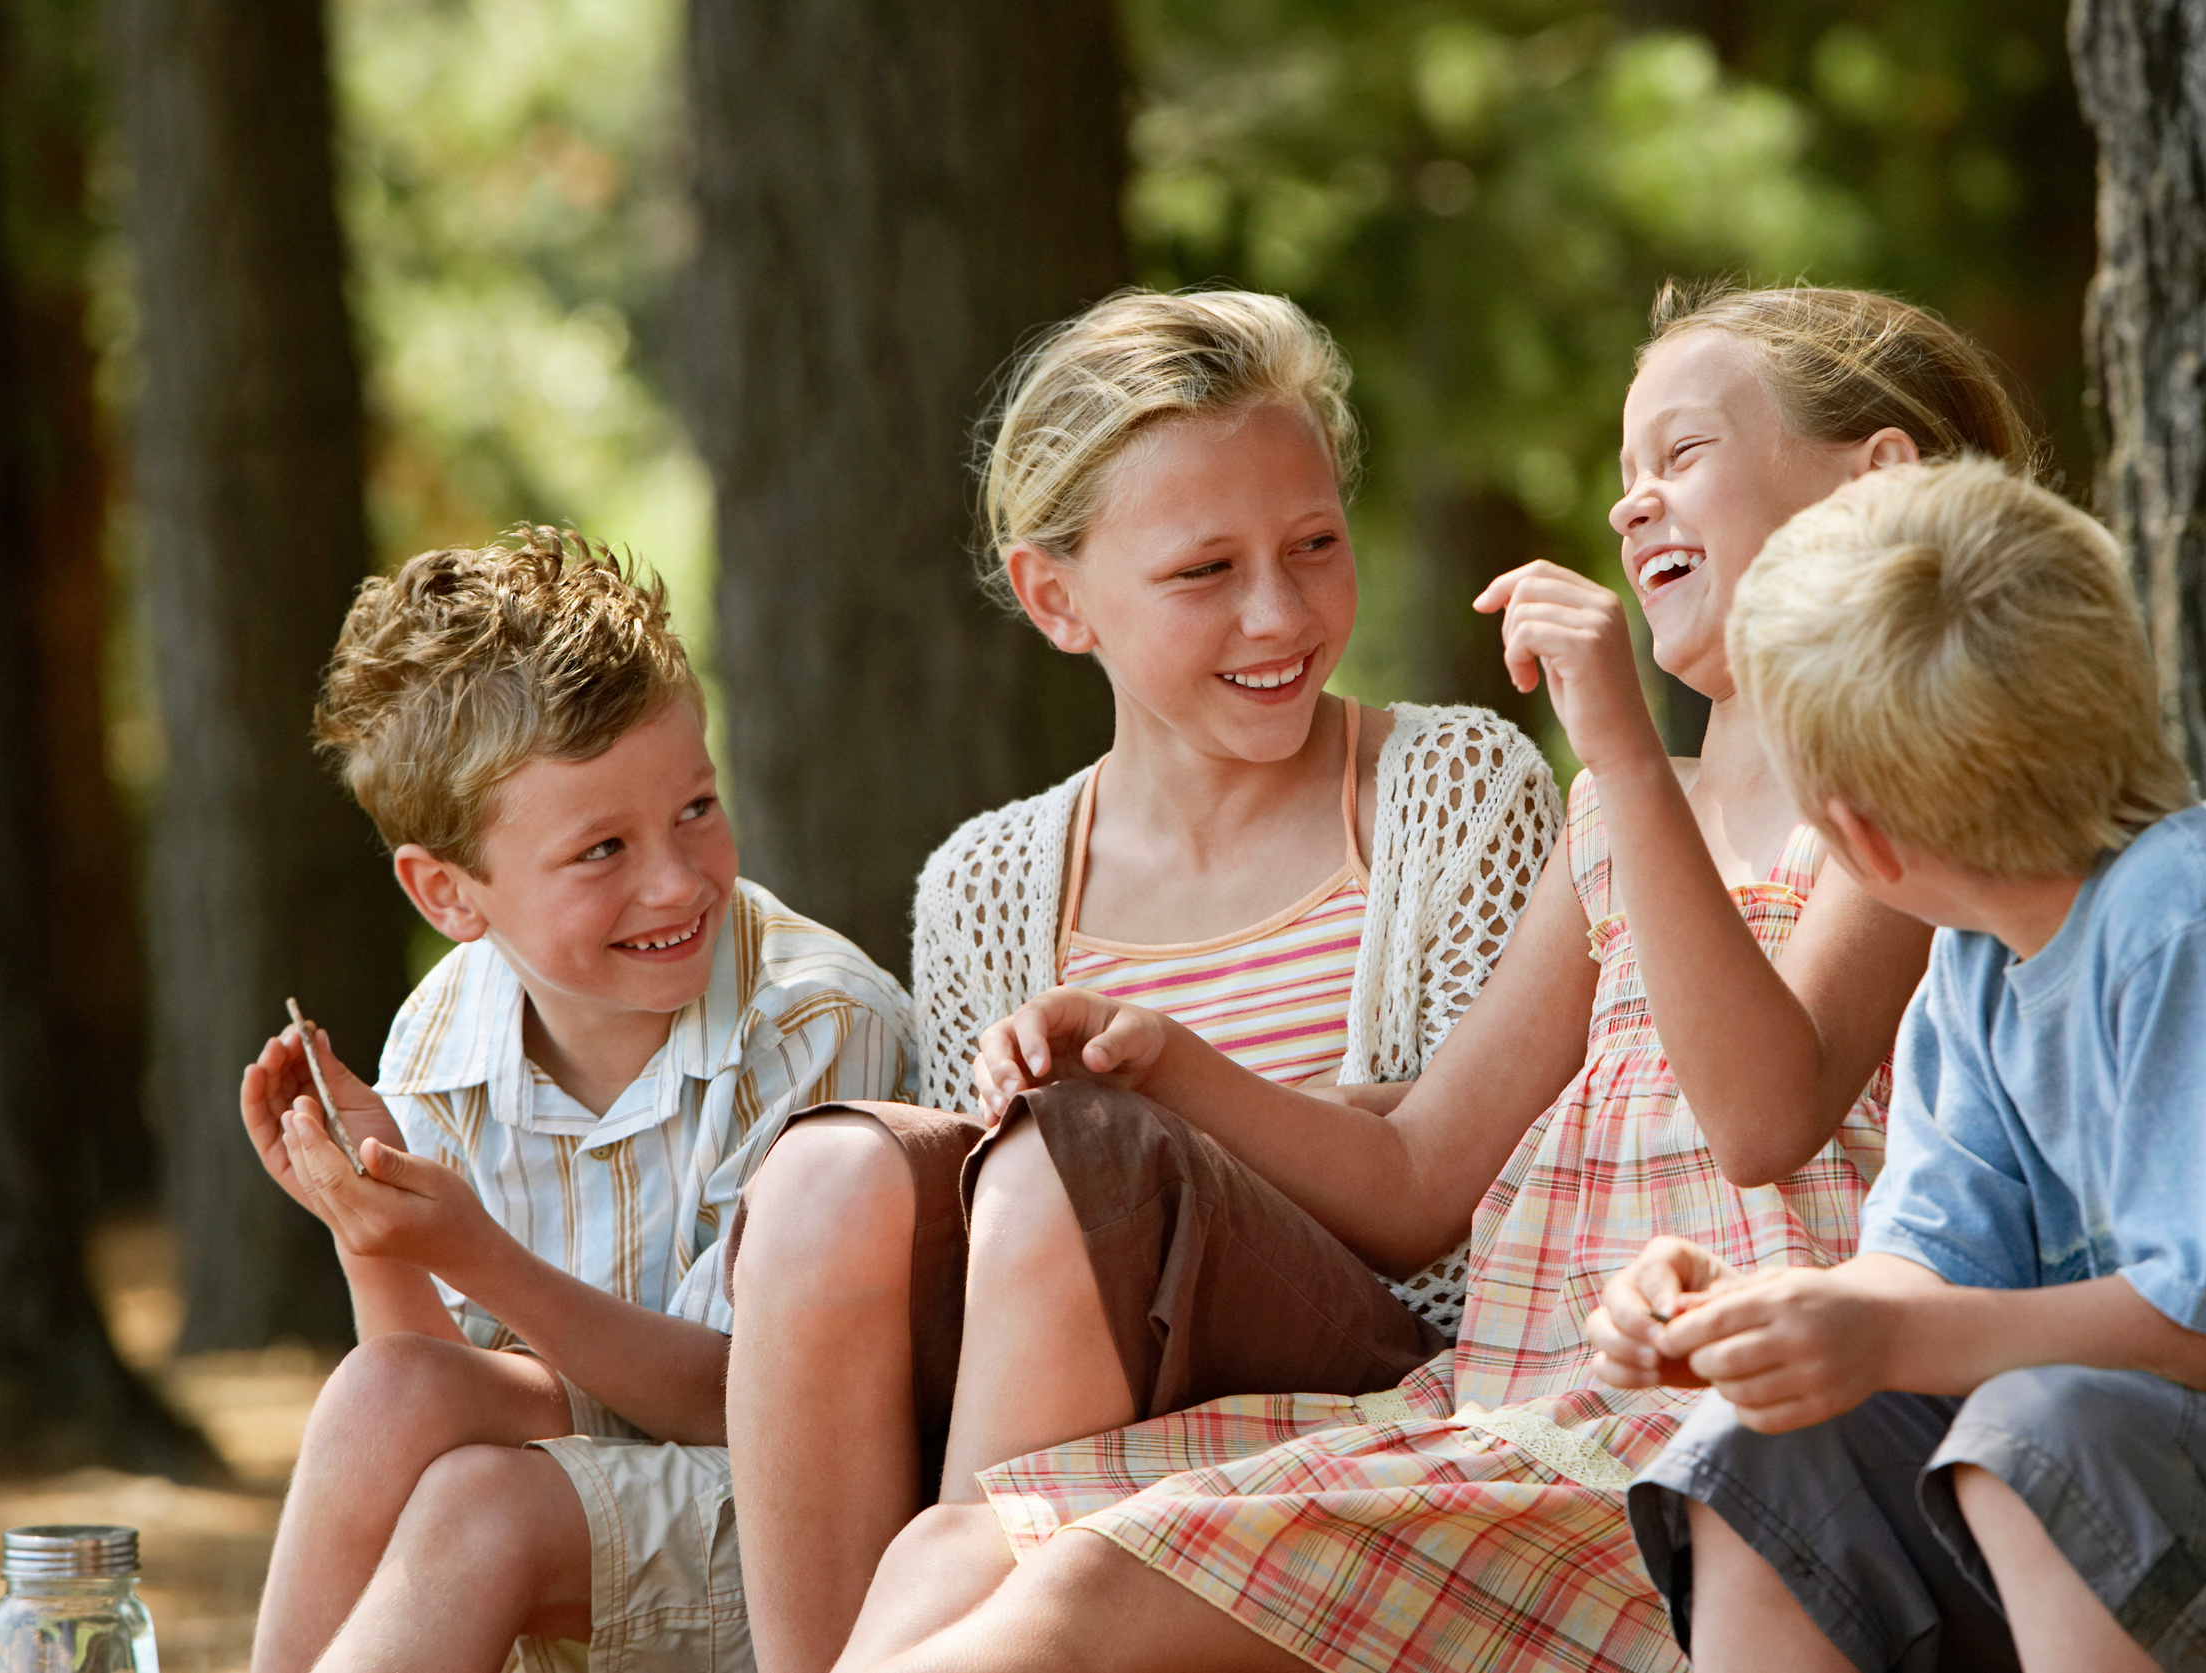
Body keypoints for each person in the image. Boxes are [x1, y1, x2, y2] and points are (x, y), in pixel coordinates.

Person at [823, 283, 2032, 1672]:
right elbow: (1411, 1180)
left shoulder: (1900, 809)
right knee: (952, 1544)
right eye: (1624, 473)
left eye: (1683, 456)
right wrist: (1162, 1058)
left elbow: (1767, 1115)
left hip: (1693, 1445)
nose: (1634, 504)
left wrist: (1625, 752)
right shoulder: (1616, 826)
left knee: (1081, 1592)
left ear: (1876, 481)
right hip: (1497, 1411)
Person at [723, 287, 1565, 1673]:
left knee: (1074, 1153)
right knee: (828, 1177)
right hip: (1080, 1389)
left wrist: (1156, 1116)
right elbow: (995, 1262)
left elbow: (1480, 1188)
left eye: (1313, 544)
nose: (1279, 611)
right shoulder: (991, 883)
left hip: (1384, 1387)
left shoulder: (1451, 788)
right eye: (1203, 571)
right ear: (1057, 598)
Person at [1600, 459, 2206, 1673]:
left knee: (2041, 1437)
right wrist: (1771, 1319)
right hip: (2197, 1473)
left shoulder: (2195, 919)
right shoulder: (1979, 957)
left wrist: (1886, 1344)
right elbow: (1929, 1266)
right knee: (1770, 1435)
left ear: (1860, 834)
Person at [236, 529, 912, 1673]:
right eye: (601, 846)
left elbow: (736, 1399)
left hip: (803, 1525)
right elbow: (438, 1397)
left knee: (479, 1512)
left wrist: (479, 1249)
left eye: (696, 806)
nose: (676, 878)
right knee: (381, 1391)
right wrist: (374, 1223)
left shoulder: (810, 1024)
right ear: (448, 892)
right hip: (585, 1479)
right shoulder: (444, 1029)